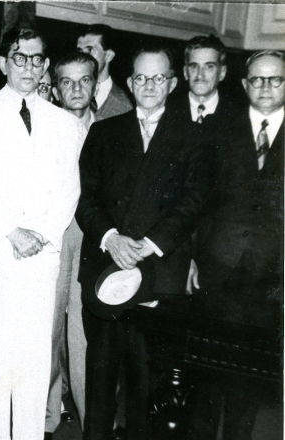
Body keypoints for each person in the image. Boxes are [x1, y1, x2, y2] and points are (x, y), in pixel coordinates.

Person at [76, 46, 212, 440]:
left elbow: (195, 201)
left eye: (158, 78)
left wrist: (149, 244)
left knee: (146, 383)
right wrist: (111, 237)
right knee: (99, 381)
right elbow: (85, 196)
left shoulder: (195, 137)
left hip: (159, 272)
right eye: (140, 78)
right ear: (129, 82)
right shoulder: (105, 131)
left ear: (172, 82)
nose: (149, 85)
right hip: (106, 267)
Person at [0, 26, 86, 440]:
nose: (28, 67)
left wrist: (43, 234)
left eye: (36, 59)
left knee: (34, 358)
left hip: (42, 258)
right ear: (2, 63)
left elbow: (70, 190)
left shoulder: (66, 124)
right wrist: (12, 231)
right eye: (19, 57)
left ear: (46, 65)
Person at [191, 50, 284, 440]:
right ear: (244, 84)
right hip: (218, 268)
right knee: (206, 375)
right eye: (257, 79)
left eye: (275, 79)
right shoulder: (219, 128)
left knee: (248, 380)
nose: (265, 87)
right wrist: (195, 257)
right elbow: (199, 196)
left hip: (271, 278)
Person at [45, 50, 99, 437]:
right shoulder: (44, 128)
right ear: (55, 87)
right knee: (45, 328)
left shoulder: (112, 129)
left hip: (94, 239)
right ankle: (44, 417)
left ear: (95, 83)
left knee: (85, 332)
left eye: (84, 80)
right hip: (53, 235)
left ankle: (92, 419)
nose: (76, 88)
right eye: (67, 81)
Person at [77, 24, 133, 120]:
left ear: (108, 56)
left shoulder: (126, 105)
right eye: (80, 51)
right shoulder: (69, 92)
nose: (82, 57)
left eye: (90, 50)